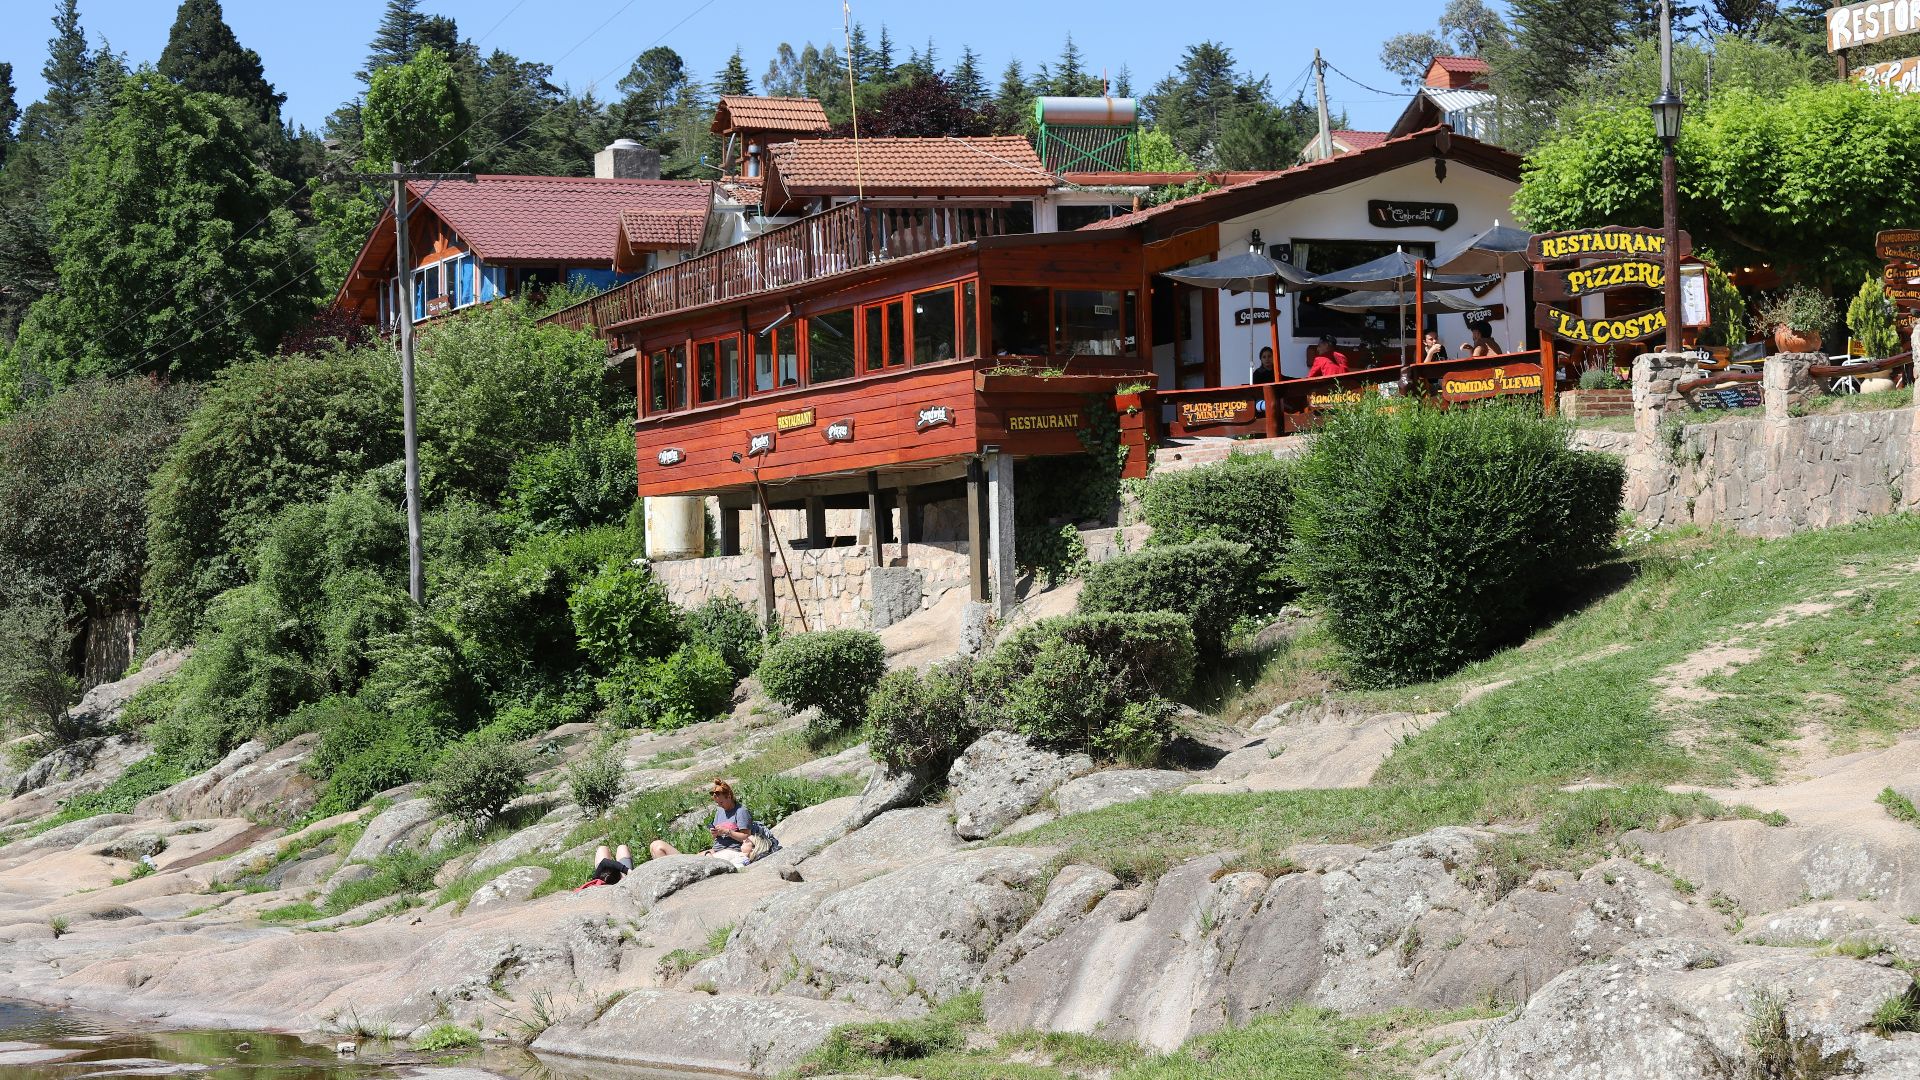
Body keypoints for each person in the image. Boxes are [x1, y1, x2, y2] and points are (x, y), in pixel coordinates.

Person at [649, 778, 776, 869]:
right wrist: (715, 833)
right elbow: (716, 836)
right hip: (716, 849)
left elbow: (746, 837)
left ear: (729, 797)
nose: (719, 805)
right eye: (717, 803)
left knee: (669, 853)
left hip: (731, 851)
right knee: (657, 847)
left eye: (721, 802)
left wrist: (727, 832)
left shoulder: (740, 812)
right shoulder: (720, 811)